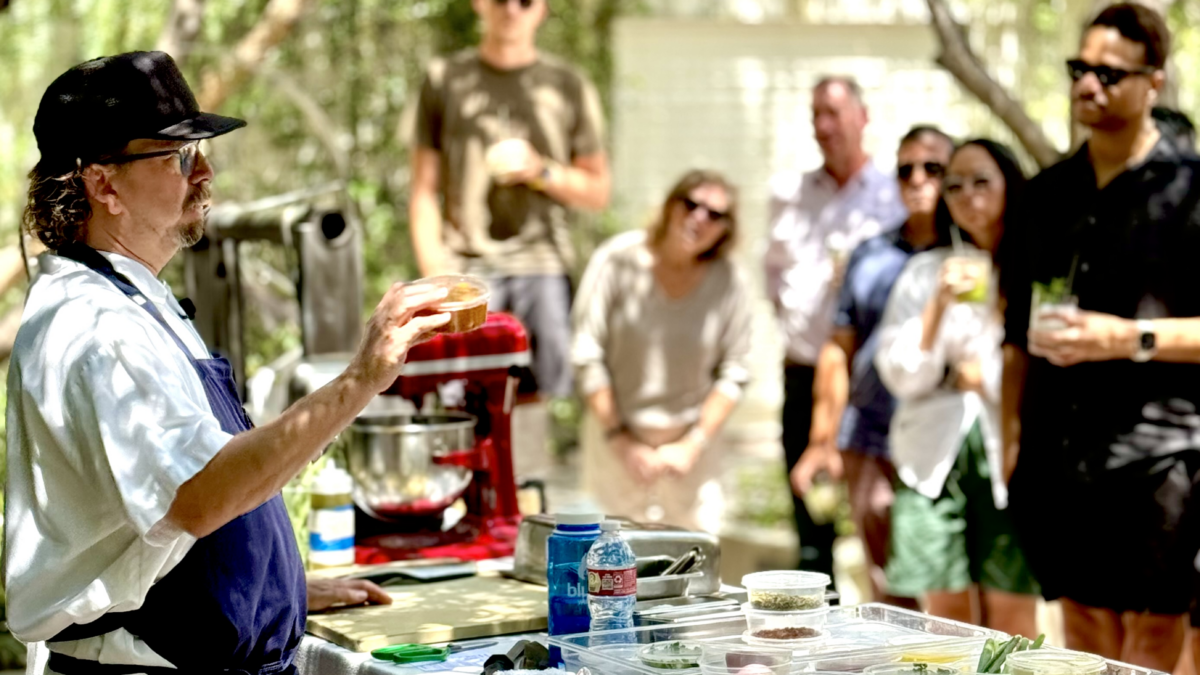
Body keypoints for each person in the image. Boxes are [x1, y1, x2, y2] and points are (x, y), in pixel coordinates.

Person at [6, 51, 450, 674]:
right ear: (103, 184)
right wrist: (361, 378)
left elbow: (170, 522)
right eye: (179, 156)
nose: (205, 171)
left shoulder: (133, 296)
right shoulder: (96, 328)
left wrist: (279, 591)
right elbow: (200, 497)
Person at [1001, 4, 1200, 668]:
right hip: (1059, 454)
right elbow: (1015, 331)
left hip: (1162, 454)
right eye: (1079, 68)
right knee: (1085, 644)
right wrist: (1009, 437)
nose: (1088, 84)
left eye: (1109, 73)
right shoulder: (1043, 195)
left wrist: (1128, 338)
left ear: (1155, 81)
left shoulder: (1191, 188)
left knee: (1149, 646)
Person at [874, 139, 1039, 637]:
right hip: (930, 457)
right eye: (955, 185)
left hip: (1011, 455)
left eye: (981, 180)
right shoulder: (925, 272)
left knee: (1012, 615)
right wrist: (938, 307)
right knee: (944, 621)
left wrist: (984, 375)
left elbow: (1044, 363)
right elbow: (900, 374)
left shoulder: (1037, 267)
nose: (967, 195)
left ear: (1010, 183)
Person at [409, 0, 610, 399]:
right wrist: (439, 276)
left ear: (542, 9)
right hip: (466, 270)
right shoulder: (444, 79)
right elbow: (423, 191)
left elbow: (598, 191)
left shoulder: (568, 84)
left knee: (538, 406)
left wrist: (540, 171)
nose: (512, 10)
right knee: (460, 404)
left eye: (525, 1)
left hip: (543, 268)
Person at [790, 125, 954, 607]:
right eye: (905, 169)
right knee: (884, 589)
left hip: (941, 440)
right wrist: (823, 440)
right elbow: (838, 350)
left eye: (933, 168)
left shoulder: (971, 255)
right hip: (869, 436)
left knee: (945, 589)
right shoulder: (870, 254)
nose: (918, 179)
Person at [764, 76, 907, 575]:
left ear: (863, 118)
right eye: (816, 115)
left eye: (835, 113)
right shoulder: (789, 194)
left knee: (879, 512)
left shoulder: (894, 194)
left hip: (869, 378)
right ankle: (813, 634)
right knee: (810, 523)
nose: (825, 126)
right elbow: (773, 275)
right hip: (805, 371)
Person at [572, 170, 753, 532]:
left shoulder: (730, 281)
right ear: (672, 205)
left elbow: (735, 371)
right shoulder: (617, 260)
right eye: (691, 205)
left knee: (691, 576)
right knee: (608, 571)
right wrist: (621, 440)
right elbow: (586, 355)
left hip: (691, 464)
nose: (699, 218)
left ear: (725, 230)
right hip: (615, 451)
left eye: (714, 215)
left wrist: (693, 444)